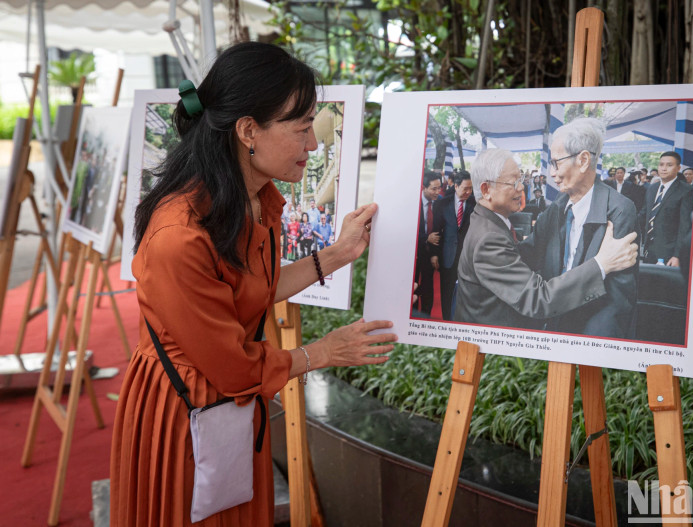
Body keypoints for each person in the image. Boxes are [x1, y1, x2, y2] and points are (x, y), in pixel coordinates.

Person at [110, 42, 396, 527]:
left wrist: (339, 253)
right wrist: (324, 352)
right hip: (186, 416)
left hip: (225, 409)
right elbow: (235, 368)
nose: (313, 144)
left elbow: (248, 291)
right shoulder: (180, 236)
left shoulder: (251, 198)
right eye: (302, 127)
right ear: (248, 131)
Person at [455, 148, 638, 330]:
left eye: (521, 180)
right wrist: (602, 264)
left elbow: (522, 256)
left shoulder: (489, 222)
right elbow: (538, 298)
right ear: (486, 190)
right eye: (513, 183)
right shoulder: (489, 238)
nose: (521, 188)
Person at [524, 118, 639, 338]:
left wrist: (585, 347)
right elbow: (529, 253)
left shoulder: (620, 210)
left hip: (587, 330)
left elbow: (618, 300)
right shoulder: (558, 206)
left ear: (583, 160)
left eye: (556, 163)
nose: (552, 173)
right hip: (552, 321)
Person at [431, 170, 476, 320]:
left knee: (466, 293)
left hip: (467, 258)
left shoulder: (475, 204)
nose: (468, 192)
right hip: (447, 255)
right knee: (447, 292)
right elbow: (436, 231)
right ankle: (447, 321)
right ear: (456, 186)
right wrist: (434, 254)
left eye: (470, 188)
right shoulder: (442, 204)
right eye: (465, 188)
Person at [639, 151, 693, 266]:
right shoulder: (652, 188)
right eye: (661, 164)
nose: (664, 168)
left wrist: (677, 256)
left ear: (678, 168)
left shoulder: (685, 190)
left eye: (669, 165)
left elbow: (685, 227)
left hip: (669, 254)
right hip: (649, 250)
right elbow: (644, 215)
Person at [414, 170, 442, 315]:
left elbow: (439, 231)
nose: (437, 192)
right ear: (424, 187)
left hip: (429, 252)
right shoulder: (413, 204)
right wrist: (425, 237)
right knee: (413, 286)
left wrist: (435, 254)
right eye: (433, 189)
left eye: (439, 188)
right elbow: (407, 231)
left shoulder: (439, 203)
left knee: (428, 287)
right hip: (413, 253)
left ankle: (426, 316)